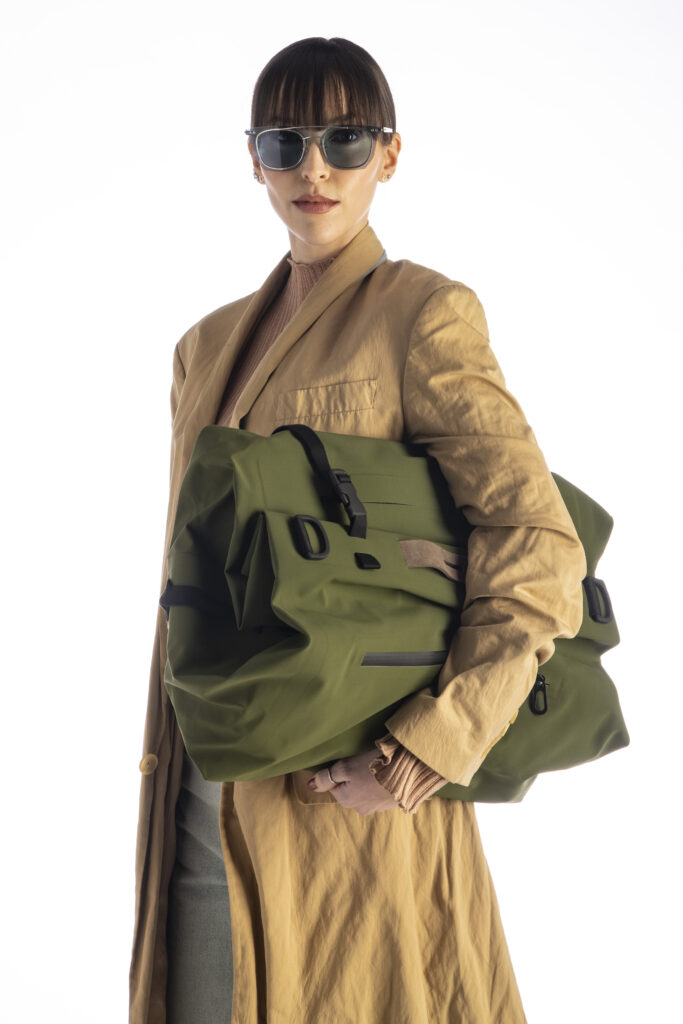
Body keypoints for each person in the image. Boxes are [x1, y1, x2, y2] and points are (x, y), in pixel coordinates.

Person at [129, 36, 587, 1024]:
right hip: (200, 813)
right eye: (284, 141)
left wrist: (432, 745)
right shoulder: (204, 347)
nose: (314, 168)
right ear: (252, 157)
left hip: (350, 816)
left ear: (388, 153)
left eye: (343, 140)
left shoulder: (420, 315)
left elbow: (536, 545)